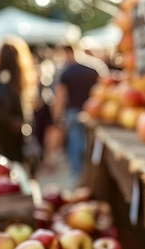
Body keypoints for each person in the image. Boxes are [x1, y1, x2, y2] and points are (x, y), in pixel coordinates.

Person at [52, 44, 107, 188]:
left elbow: (60, 95)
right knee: (90, 145)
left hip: (74, 113)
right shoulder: (93, 69)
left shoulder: (68, 71)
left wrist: (57, 116)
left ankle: (78, 177)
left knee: (75, 145)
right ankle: (90, 177)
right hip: (92, 114)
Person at [0, 36, 38, 167]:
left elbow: (2, 116)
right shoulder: (16, 85)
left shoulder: (0, 87)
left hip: (4, 146)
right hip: (12, 147)